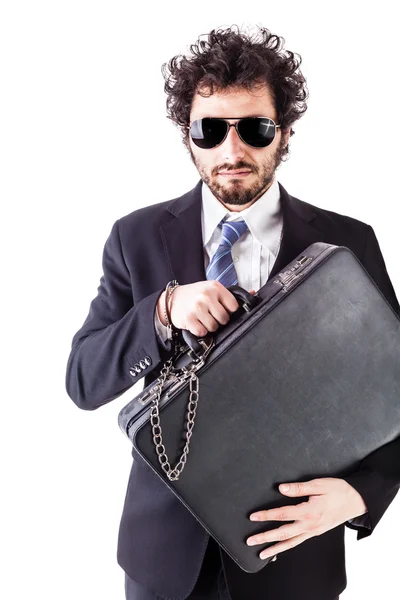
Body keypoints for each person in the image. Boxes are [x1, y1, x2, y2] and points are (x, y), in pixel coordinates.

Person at [65, 25, 400, 600]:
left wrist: (363, 494)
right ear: (188, 137)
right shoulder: (135, 237)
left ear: (284, 133)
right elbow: (83, 380)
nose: (232, 150)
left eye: (254, 128)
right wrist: (163, 311)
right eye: (211, 130)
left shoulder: (349, 242)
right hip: (164, 563)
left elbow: (395, 385)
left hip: (295, 559)